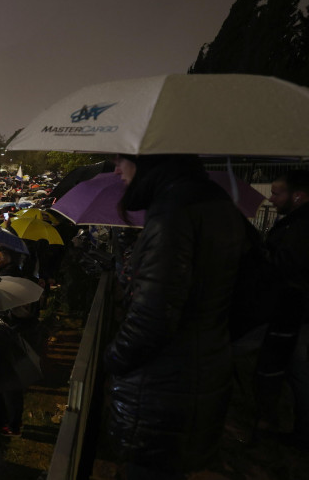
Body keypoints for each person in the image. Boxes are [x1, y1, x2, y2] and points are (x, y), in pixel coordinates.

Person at [103, 154, 248, 479]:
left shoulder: (172, 214)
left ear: (149, 161)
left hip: (162, 393)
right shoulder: (215, 202)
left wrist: (110, 359)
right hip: (200, 375)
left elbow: (151, 321)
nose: (116, 170)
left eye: (121, 160)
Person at [251, 170, 309, 450]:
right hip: (291, 310)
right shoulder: (303, 222)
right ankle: (300, 429)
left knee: (295, 369)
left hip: (293, 311)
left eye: (277, 193)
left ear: (297, 195)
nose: (271, 198)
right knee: (292, 368)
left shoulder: (306, 227)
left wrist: (258, 253)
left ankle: (305, 433)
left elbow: (285, 267)